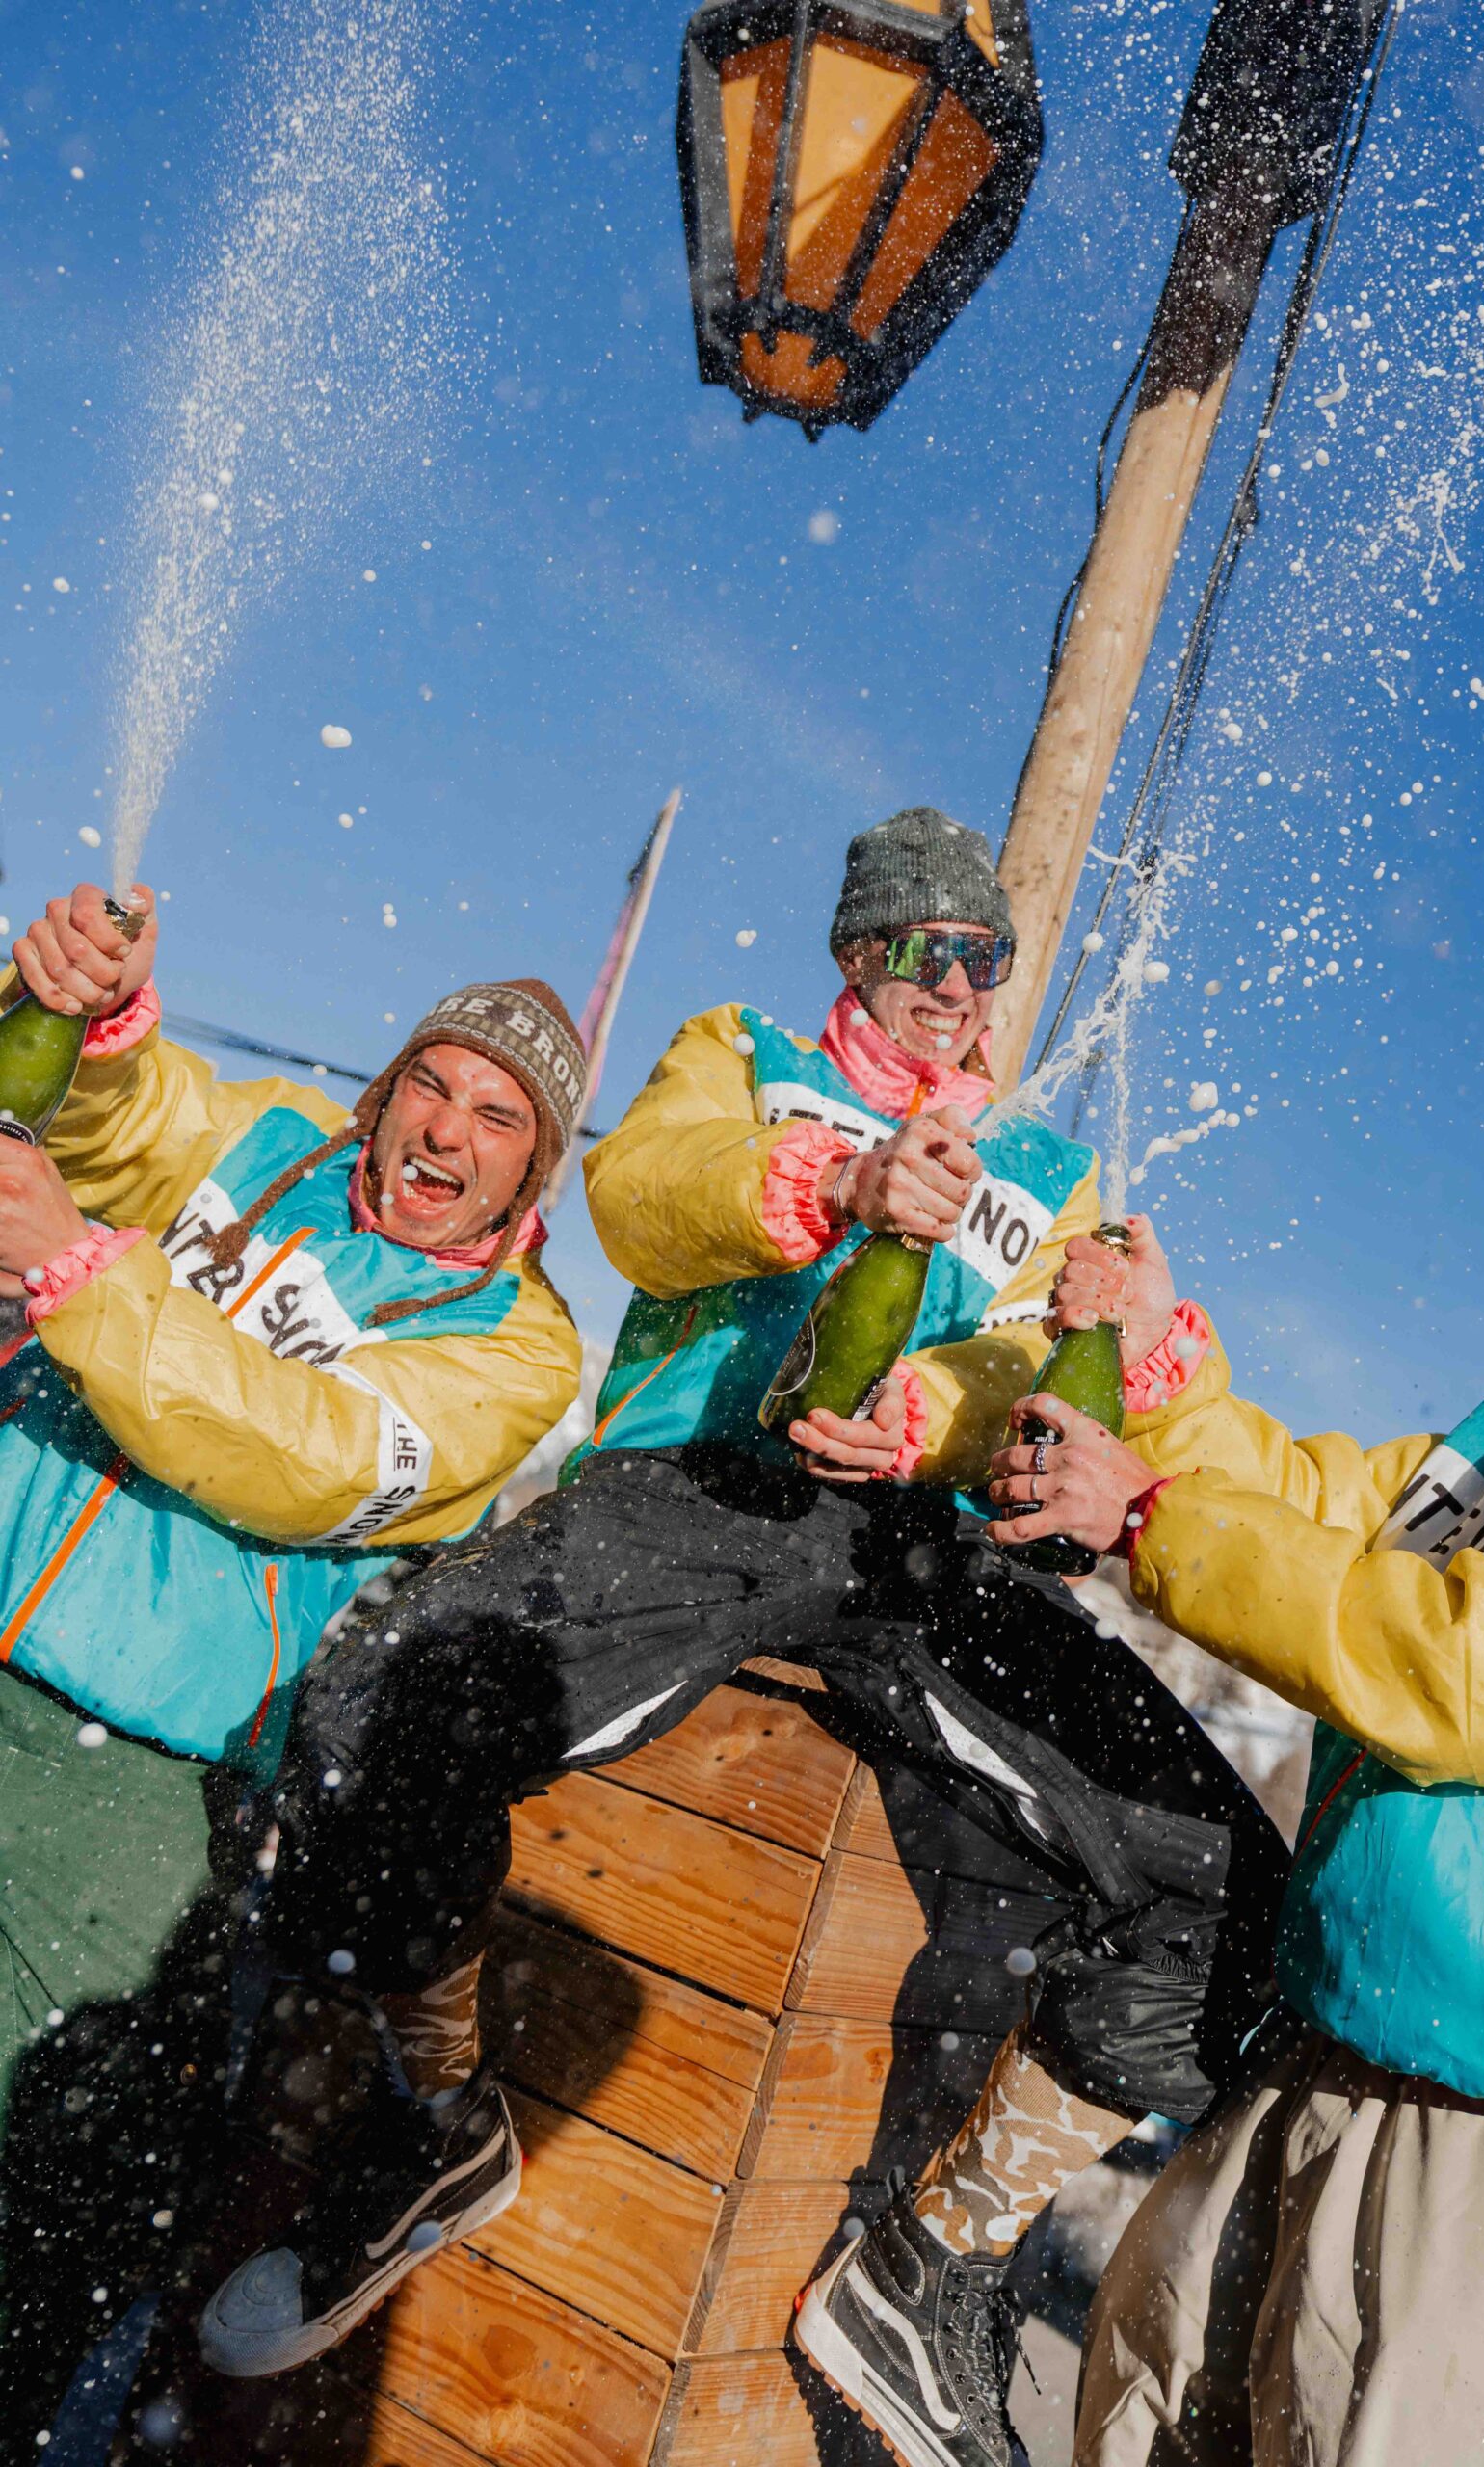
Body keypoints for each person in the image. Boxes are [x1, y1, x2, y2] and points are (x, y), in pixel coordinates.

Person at [200, 809, 1285, 2467]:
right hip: (713, 1486)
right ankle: (435, 2119)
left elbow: (1058, 1389)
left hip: (921, 1547)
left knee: (1232, 1891)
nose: (951, 982)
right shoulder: (751, 1054)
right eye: (914, 949)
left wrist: (986, 1389)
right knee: (360, 1719)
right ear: (854, 956)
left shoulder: (1053, 1176)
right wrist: (837, 1181)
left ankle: (939, 2262)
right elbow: (642, 1199)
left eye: (977, 956)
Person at [967, 1107, 1484, 2467]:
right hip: (1320, 2049)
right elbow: (1317, 1510)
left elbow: (1475, 1669)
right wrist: (1159, 1375)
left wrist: (1150, 1517)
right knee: (1144, 2419)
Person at [0, 883, 584, 2443]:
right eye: (431, 1085)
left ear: (538, 1171)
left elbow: (309, 1455)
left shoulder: (514, 1346)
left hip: (133, 1769)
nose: (444, 1131)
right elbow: (130, 1125)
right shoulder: (266, 1143)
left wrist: (80, 1275)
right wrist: (98, 1012)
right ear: (383, 1090)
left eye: (500, 1117)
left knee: (29, 2185)